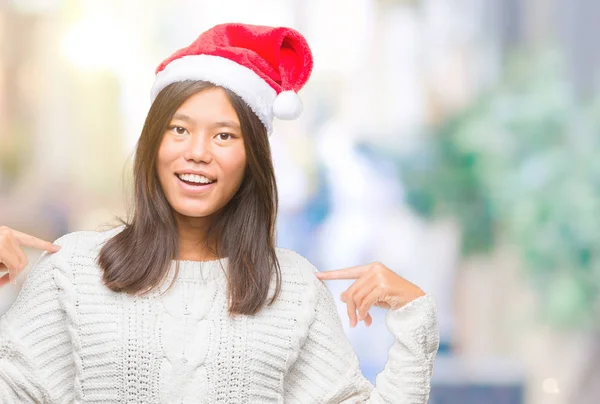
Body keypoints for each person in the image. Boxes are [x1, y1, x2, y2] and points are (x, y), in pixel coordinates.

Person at [0, 23, 439, 403]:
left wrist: (414, 315)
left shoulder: (291, 290)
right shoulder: (74, 270)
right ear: (154, 143)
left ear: (253, 158)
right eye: (179, 129)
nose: (196, 152)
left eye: (224, 136)